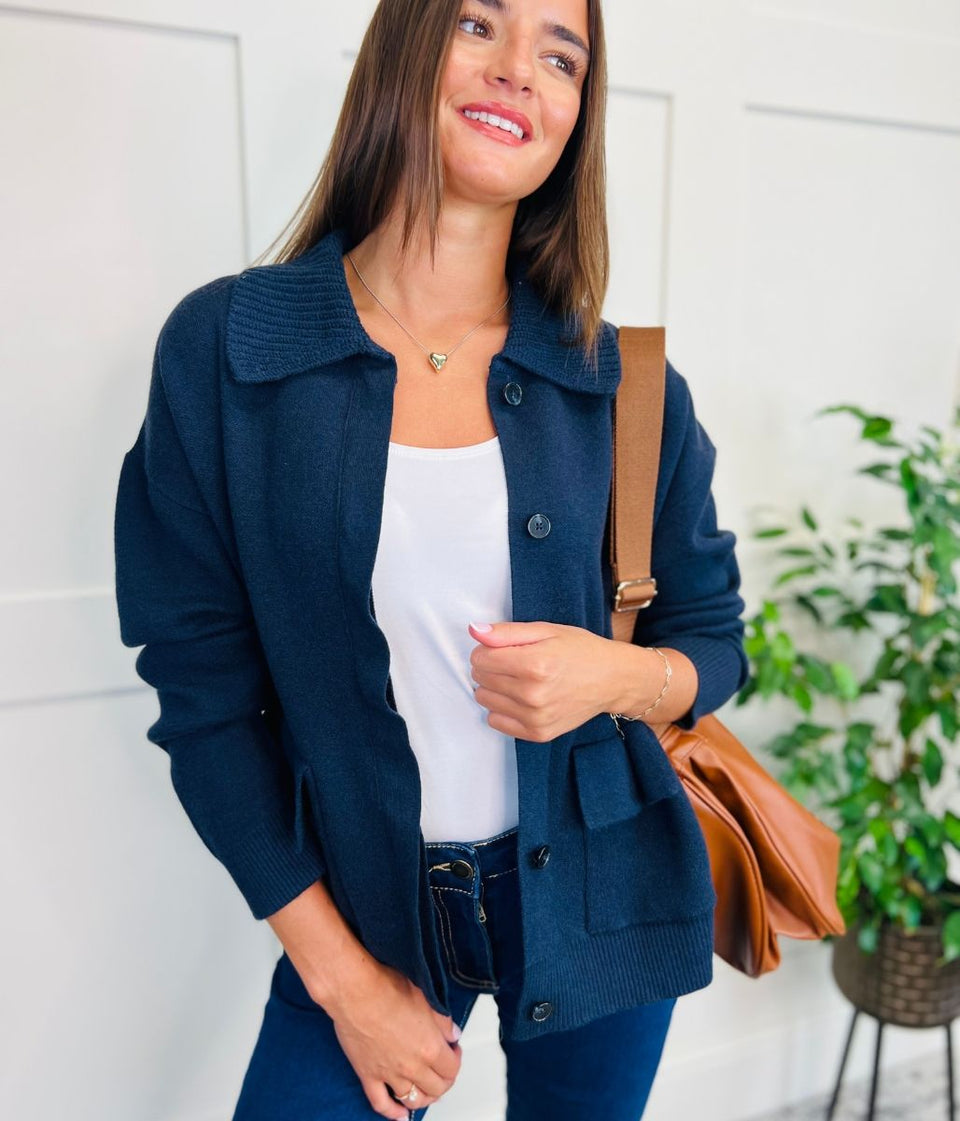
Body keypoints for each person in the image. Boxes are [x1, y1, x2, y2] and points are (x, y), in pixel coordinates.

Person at [113, 0, 749, 1117]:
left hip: (606, 890)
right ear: (407, 43)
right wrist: (342, 977)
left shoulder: (626, 383)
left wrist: (616, 676)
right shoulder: (229, 349)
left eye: (561, 57)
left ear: (575, 116)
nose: (519, 72)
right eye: (478, 26)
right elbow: (203, 697)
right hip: (362, 905)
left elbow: (714, 637)